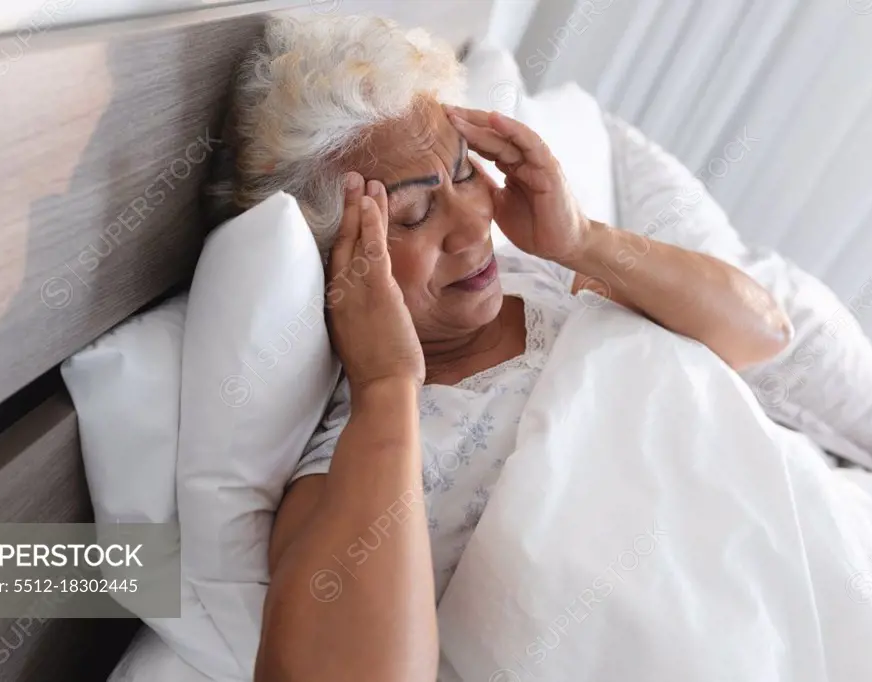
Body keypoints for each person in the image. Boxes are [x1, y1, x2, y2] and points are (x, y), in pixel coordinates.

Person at [219, 14, 793, 682]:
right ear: (335, 266)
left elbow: (765, 335)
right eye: (411, 216)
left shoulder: (550, 275)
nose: (473, 226)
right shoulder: (364, 456)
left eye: (464, 176)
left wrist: (581, 239)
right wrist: (385, 390)